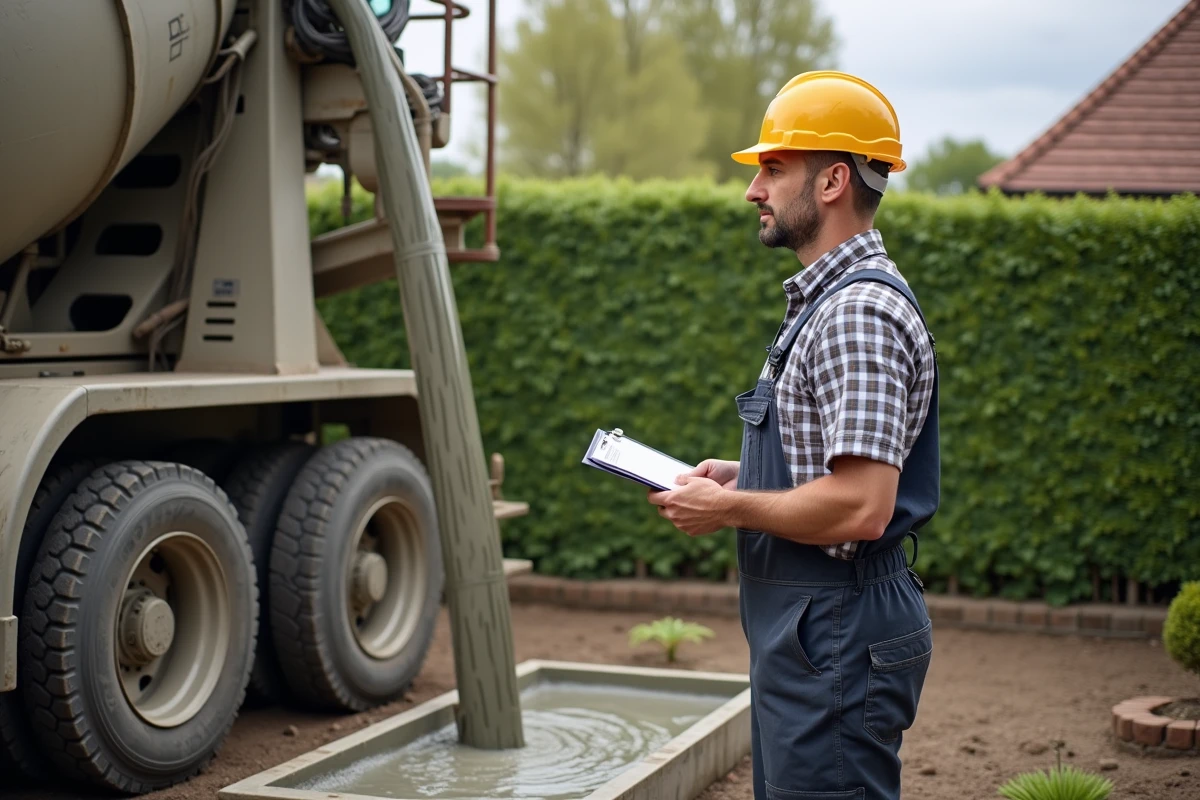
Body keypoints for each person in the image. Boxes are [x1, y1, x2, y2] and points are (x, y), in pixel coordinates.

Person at [647, 71, 940, 800]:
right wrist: (743, 477)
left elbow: (862, 506)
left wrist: (729, 509)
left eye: (774, 168)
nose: (754, 190)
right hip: (816, 628)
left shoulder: (856, 314)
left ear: (834, 180)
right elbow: (829, 471)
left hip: (836, 627)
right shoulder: (825, 303)